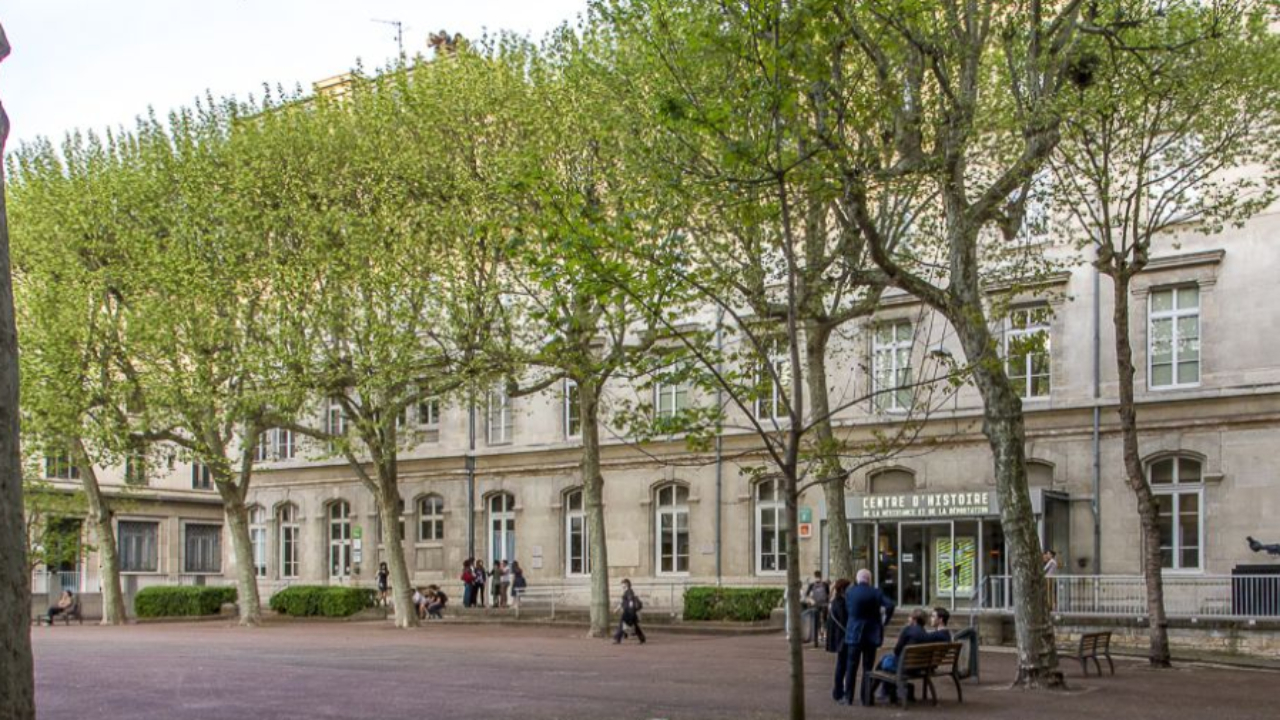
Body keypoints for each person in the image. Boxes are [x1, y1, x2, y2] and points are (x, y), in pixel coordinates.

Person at [842, 569, 894, 706]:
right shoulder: (876, 592)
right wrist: (885, 621)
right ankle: (866, 698)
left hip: (854, 632)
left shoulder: (850, 592)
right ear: (869, 579)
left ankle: (848, 697)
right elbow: (890, 605)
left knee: (851, 666)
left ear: (857, 579)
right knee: (868, 667)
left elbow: (848, 610)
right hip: (871, 633)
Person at [827, 578, 851, 703]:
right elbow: (844, 621)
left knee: (842, 665)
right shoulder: (840, 603)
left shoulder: (837, 602)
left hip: (840, 638)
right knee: (842, 666)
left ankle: (839, 691)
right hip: (843, 639)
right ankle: (839, 692)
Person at [613, 578, 646, 644]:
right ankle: (642, 638)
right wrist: (617, 609)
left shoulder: (629, 592)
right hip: (630, 611)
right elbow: (623, 602)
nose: (621, 585)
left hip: (628, 612)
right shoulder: (627, 591)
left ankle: (617, 638)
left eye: (622, 584)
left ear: (626, 584)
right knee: (635, 626)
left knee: (622, 624)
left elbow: (630, 602)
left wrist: (630, 611)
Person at [806, 570, 831, 646]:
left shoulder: (811, 584)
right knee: (825, 619)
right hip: (824, 604)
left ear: (814, 576)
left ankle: (817, 636)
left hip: (815, 604)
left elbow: (807, 594)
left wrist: (811, 600)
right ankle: (824, 635)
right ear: (821, 576)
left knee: (816, 621)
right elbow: (828, 594)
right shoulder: (825, 584)